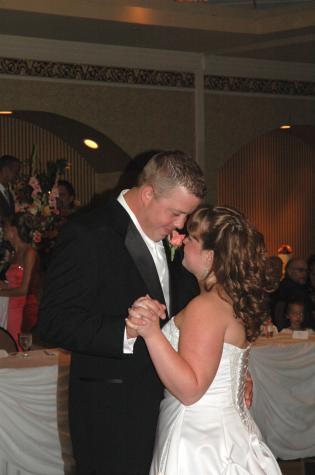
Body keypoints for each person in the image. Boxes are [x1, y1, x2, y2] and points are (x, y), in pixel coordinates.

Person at [37, 151, 207, 475]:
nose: (181, 226)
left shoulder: (176, 239)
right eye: (175, 213)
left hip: (172, 408)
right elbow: (54, 321)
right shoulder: (88, 233)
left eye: (186, 215)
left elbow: (188, 312)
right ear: (147, 194)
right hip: (111, 413)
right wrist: (126, 331)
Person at [127, 206, 281, 475]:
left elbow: (190, 390)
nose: (184, 239)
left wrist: (151, 332)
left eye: (193, 238)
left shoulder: (206, 306)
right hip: (224, 431)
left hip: (198, 438)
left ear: (210, 257)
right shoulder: (229, 300)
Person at [0, 213, 40, 348]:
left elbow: (24, 289)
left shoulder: (29, 252)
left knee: (15, 345)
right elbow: (12, 282)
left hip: (21, 308)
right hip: (9, 305)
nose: (2, 230)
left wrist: (1, 292)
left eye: (5, 227)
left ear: (14, 230)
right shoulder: (14, 253)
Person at [272, 257, 313, 330]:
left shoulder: (304, 287)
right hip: (293, 333)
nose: (304, 274)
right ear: (289, 271)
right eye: (300, 270)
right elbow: (279, 313)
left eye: (306, 271)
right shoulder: (286, 288)